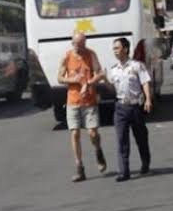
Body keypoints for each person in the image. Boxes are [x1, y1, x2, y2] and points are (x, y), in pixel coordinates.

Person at [100, 37, 153, 182]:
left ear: (125, 49)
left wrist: (148, 99)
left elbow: (145, 82)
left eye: (117, 48)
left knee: (141, 137)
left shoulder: (137, 66)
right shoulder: (114, 70)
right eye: (114, 49)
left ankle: (145, 163)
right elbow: (112, 89)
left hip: (135, 106)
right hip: (120, 107)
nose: (115, 51)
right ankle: (124, 172)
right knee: (121, 140)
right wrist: (105, 80)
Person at [57, 32, 107, 182]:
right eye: (77, 44)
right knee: (75, 133)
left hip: (89, 101)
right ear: (72, 43)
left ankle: (98, 150)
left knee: (92, 133)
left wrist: (88, 84)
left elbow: (100, 74)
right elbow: (59, 78)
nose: (80, 47)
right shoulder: (67, 57)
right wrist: (73, 79)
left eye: (83, 44)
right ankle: (80, 168)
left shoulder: (91, 54)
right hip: (73, 101)